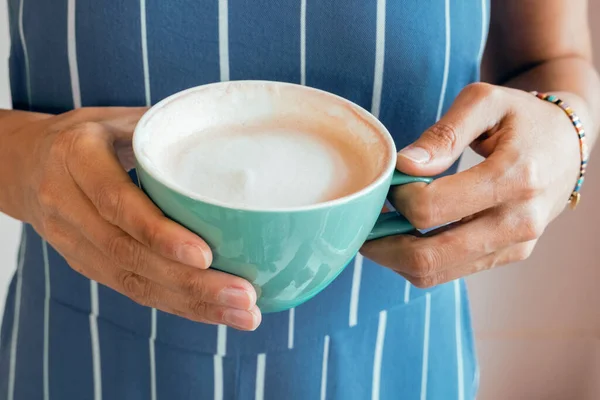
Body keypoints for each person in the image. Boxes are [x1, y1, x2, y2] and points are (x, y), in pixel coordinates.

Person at [0, 0, 598, 399]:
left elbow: (550, 58)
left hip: (394, 362)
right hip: (82, 354)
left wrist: (564, 135)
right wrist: (25, 164)